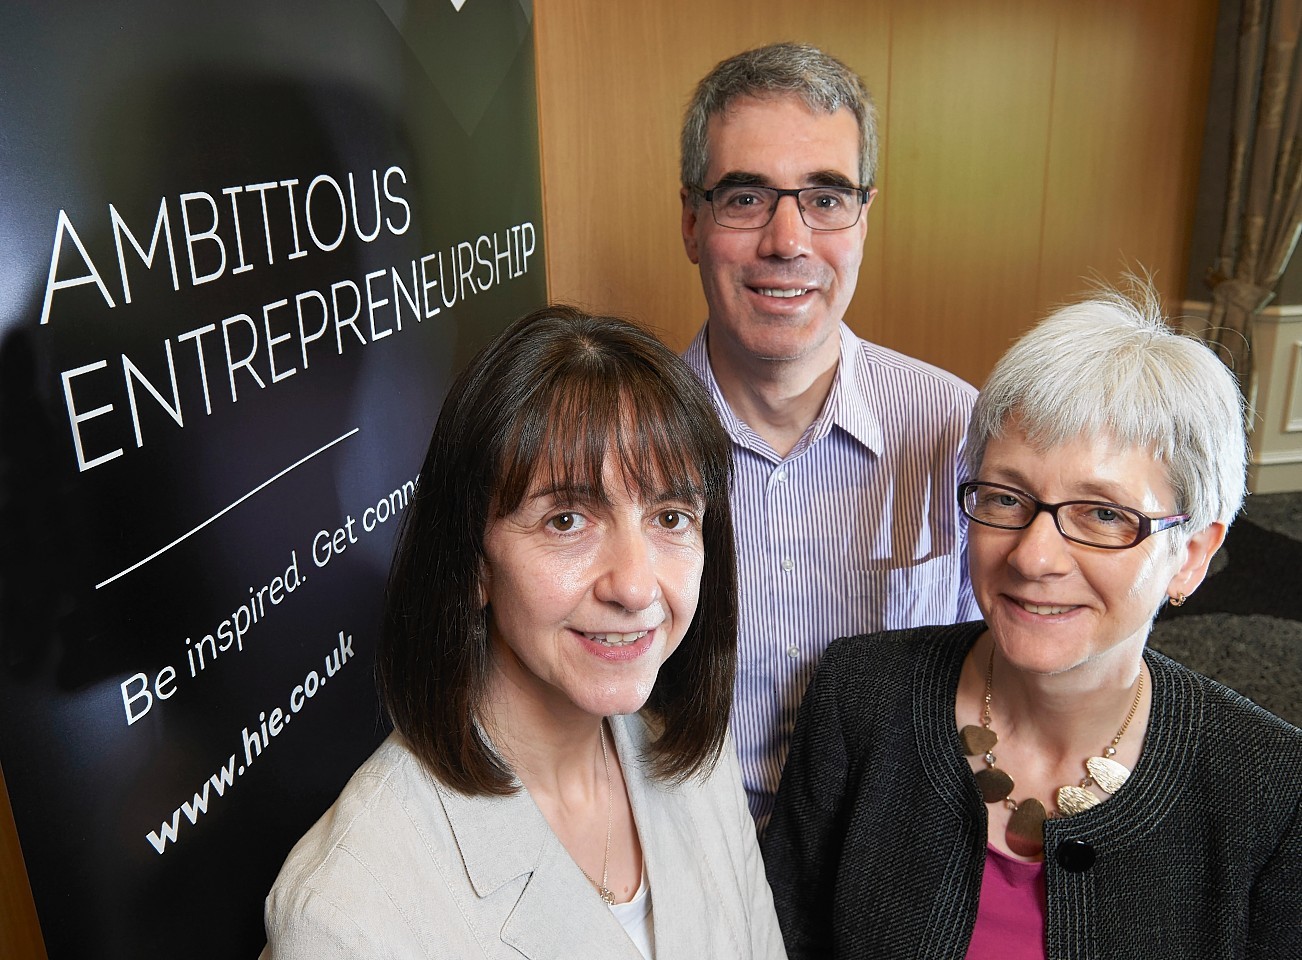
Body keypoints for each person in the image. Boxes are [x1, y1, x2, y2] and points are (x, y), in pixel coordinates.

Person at [761, 285, 1302, 958]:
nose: (1033, 556)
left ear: (1190, 556)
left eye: (1103, 513)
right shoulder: (857, 694)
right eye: (1006, 497)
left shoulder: (1273, 787)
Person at [262, 306, 787, 960]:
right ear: (472, 563)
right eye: (567, 520)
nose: (635, 585)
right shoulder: (347, 911)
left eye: (670, 517)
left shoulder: (696, 764)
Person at [678, 41, 980, 831]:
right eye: (746, 198)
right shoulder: (630, 439)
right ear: (691, 221)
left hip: (888, 835)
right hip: (689, 843)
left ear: (863, 219)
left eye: (826, 197)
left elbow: (1002, 668)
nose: (788, 240)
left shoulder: (956, 429)